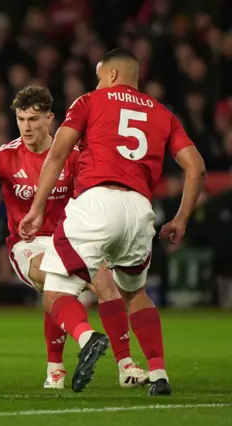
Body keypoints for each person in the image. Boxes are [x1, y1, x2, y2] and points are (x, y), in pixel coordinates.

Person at [0, 85, 149, 389]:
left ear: (50, 119)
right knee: (56, 279)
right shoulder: (4, 156)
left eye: (34, 119)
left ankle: (117, 367)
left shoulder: (73, 156)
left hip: (72, 240)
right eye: (21, 119)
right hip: (28, 246)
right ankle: (86, 340)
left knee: (105, 285)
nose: (27, 126)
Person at [19, 49, 206, 395]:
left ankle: (88, 339)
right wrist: (181, 218)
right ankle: (159, 373)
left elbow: (58, 153)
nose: (97, 82)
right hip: (139, 210)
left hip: (96, 201)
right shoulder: (163, 113)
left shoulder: (89, 101)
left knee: (55, 291)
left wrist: (38, 207)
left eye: (99, 76)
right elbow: (196, 167)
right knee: (135, 293)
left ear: (113, 76)